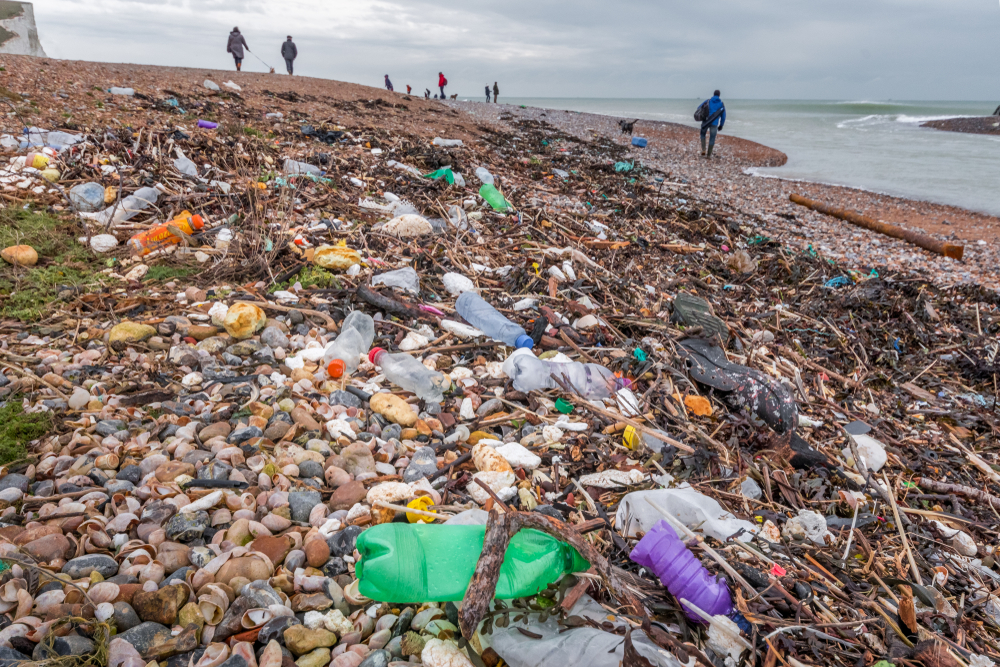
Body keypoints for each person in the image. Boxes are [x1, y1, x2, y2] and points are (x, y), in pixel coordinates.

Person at [698, 90, 726, 158]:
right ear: (719, 95)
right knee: (712, 138)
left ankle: (703, 150)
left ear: (713, 94)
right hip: (715, 123)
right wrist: (721, 125)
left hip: (706, 121)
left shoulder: (708, 101)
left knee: (702, 134)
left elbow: (699, 108)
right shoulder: (721, 104)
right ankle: (709, 155)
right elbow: (723, 116)